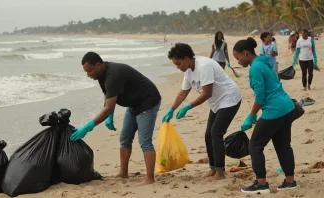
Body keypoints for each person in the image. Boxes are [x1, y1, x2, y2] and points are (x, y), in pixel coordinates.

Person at [71, 52, 161, 185]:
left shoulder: (113, 75)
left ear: (98, 64)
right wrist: (110, 116)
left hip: (148, 100)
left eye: (90, 70)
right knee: (125, 138)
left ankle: (150, 179)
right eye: (86, 71)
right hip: (133, 103)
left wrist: (88, 126)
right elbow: (107, 95)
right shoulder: (101, 75)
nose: (88, 74)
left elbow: (107, 107)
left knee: (145, 141)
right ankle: (123, 173)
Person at [164, 43, 242, 181]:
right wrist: (171, 110)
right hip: (216, 103)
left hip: (230, 98)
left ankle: (220, 172)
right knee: (208, 135)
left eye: (178, 63)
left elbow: (207, 93)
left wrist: (188, 107)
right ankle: (213, 168)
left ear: (187, 58)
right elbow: (182, 93)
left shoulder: (204, 66)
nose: (178, 67)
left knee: (216, 133)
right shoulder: (188, 71)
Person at [233, 37, 297, 194]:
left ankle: (261, 183)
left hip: (274, 109)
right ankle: (290, 181)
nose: (238, 61)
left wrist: (252, 115)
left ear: (245, 53)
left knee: (254, 145)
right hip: (287, 106)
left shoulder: (255, 68)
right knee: (283, 145)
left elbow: (260, 97)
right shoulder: (265, 61)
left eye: (238, 57)